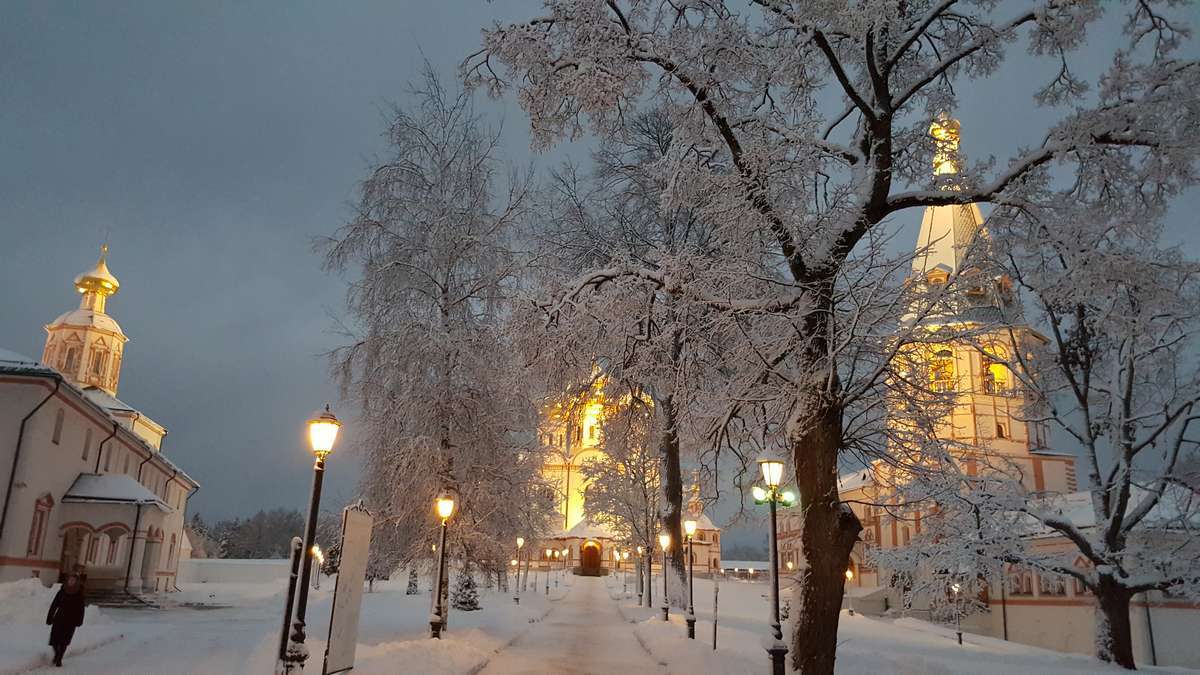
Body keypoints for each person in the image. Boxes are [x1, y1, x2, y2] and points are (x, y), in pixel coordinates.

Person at [45, 573, 86, 667]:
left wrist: (79, 620)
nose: (71, 581)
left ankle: (59, 658)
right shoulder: (62, 591)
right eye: (70, 579)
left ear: (76, 582)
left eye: (73, 580)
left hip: (71, 620)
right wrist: (50, 617)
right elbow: (54, 604)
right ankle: (57, 654)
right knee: (54, 640)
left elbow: (81, 609)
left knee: (64, 641)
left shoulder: (79, 593)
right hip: (59, 618)